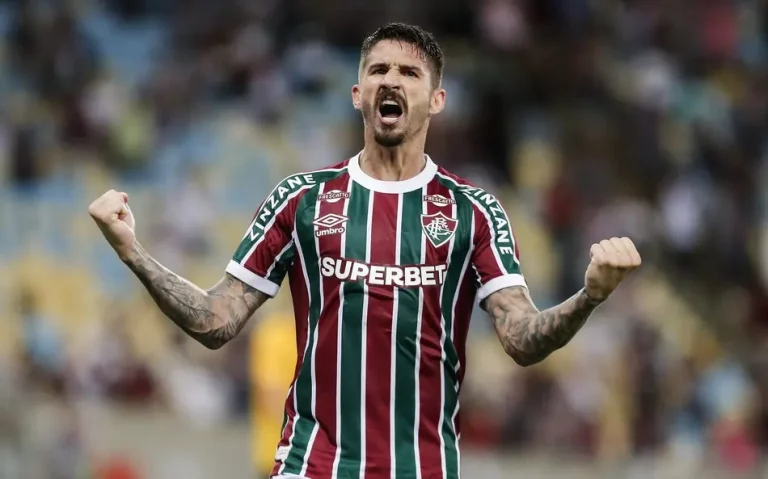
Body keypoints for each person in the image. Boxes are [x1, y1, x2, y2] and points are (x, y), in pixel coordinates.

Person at [88, 22, 641, 479]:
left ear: (437, 100)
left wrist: (588, 297)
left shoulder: (474, 212)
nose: (390, 80)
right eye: (377, 70)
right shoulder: (301, 200)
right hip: (312, 466)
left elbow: (521, 338)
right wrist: (133, 253)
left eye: (409, 73)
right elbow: (216, 320)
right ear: (358, 94)